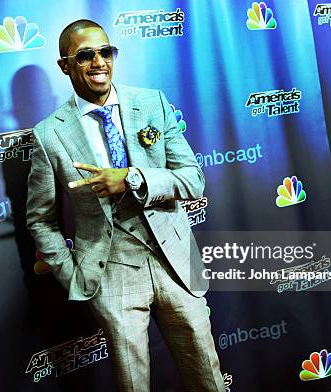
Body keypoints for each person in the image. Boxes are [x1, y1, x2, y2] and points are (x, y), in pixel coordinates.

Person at [26, 19, 224, 391]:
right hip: (111, 273)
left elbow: (193, 180)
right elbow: (41, 220)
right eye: (85, 55)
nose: (99, 61)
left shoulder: (151, 103)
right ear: (65, 66)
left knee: (207, 376)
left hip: (176, 264)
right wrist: (75, 275)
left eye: (106, 52)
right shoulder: (49, 134)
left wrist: (133, 178)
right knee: (132, 385)